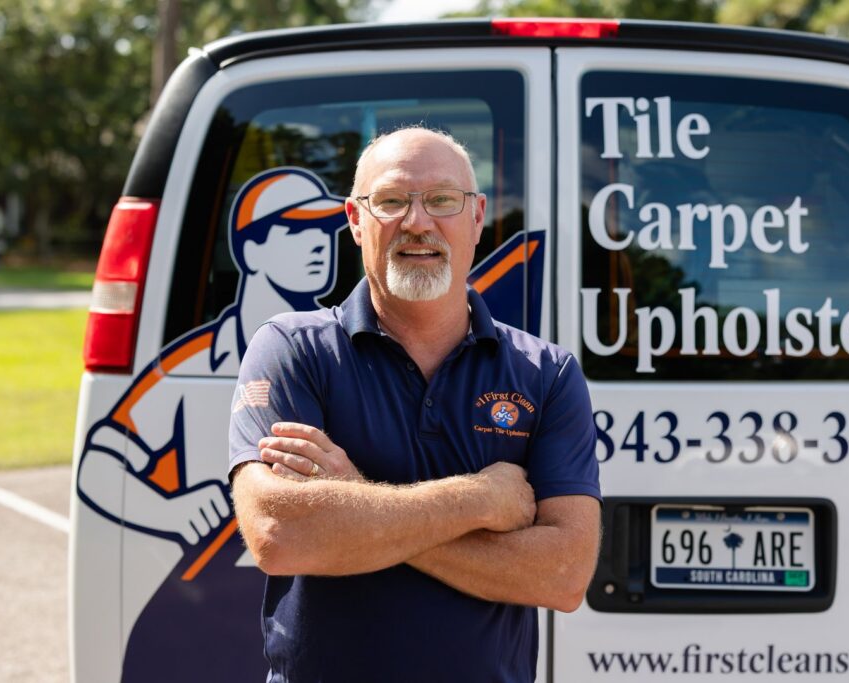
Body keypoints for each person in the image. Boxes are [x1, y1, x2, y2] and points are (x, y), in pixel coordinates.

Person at [229, 126, 602, 682]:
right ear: (356, 221)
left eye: (442, 201)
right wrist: (478, 499)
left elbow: (564, 575)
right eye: (391, 201)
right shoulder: (292, 350)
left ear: (477, 218)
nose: (418, 221)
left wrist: (355, 502)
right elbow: (280, 535)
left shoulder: (545, 374)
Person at [76, 167, 349, 682]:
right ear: (249, 252)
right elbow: (100, 461)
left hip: (330, 621)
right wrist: (169, 508)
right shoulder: (189, 367)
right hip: (206, 615)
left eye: (325, 232)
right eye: (296, 230)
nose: (320, 245)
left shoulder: (355, 352)